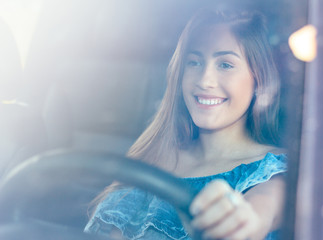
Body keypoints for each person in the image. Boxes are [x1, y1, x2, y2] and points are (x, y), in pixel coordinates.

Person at [85, 7, 287, 240]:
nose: (205, 80)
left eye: (225, 64)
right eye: (194, 63)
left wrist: (243, 222)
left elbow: (262, 211)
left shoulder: (277, 173)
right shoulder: (154, 160)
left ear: (259, 80)